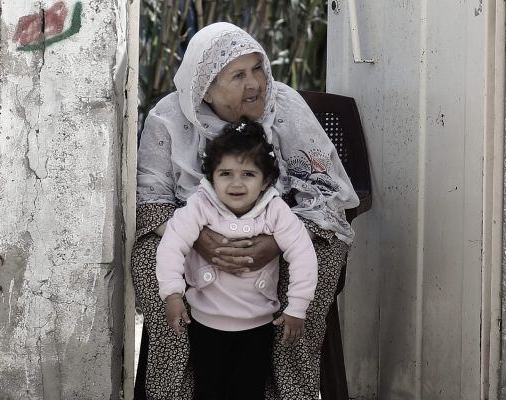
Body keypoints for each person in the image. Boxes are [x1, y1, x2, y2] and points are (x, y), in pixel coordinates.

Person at [133, 21, 358, 400]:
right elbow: (149, 199)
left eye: (258, 68)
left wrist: (275, 241)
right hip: (193, 229)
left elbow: (328, 190)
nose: (254, 84)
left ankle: (288, 391)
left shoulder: (283, 107)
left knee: (317, 256)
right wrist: (201, 239)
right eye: (238, 75)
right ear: (205, 84)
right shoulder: (168, 117)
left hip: (282, 225)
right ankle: (176, 391)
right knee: (150, 260)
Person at [156, 119, 318, 400]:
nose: (236, 183)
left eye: (248, 174)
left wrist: (298, 307)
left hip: (257, 325)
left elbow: (303, 253)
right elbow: (172, 244)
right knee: (208, 389)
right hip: (206, 323)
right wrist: (171, 294)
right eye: (226, 173)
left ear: (265, 180)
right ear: (211, 176)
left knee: (248, 389)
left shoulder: (275, 211)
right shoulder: (200, 205)